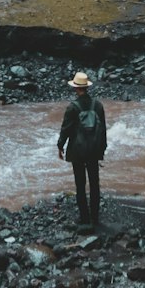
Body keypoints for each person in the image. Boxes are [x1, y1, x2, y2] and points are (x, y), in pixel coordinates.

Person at [57, 69, 107, 226]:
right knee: (94, 184)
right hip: (93, 150)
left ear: (76, 88)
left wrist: (60, 146)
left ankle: (84, 218)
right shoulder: (97, 105)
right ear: (87, 87)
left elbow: (65, 129)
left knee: (80, 185)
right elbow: (103, 130)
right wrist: (102, 149)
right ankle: (96, 218)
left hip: (77, 151)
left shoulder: (72, 108)